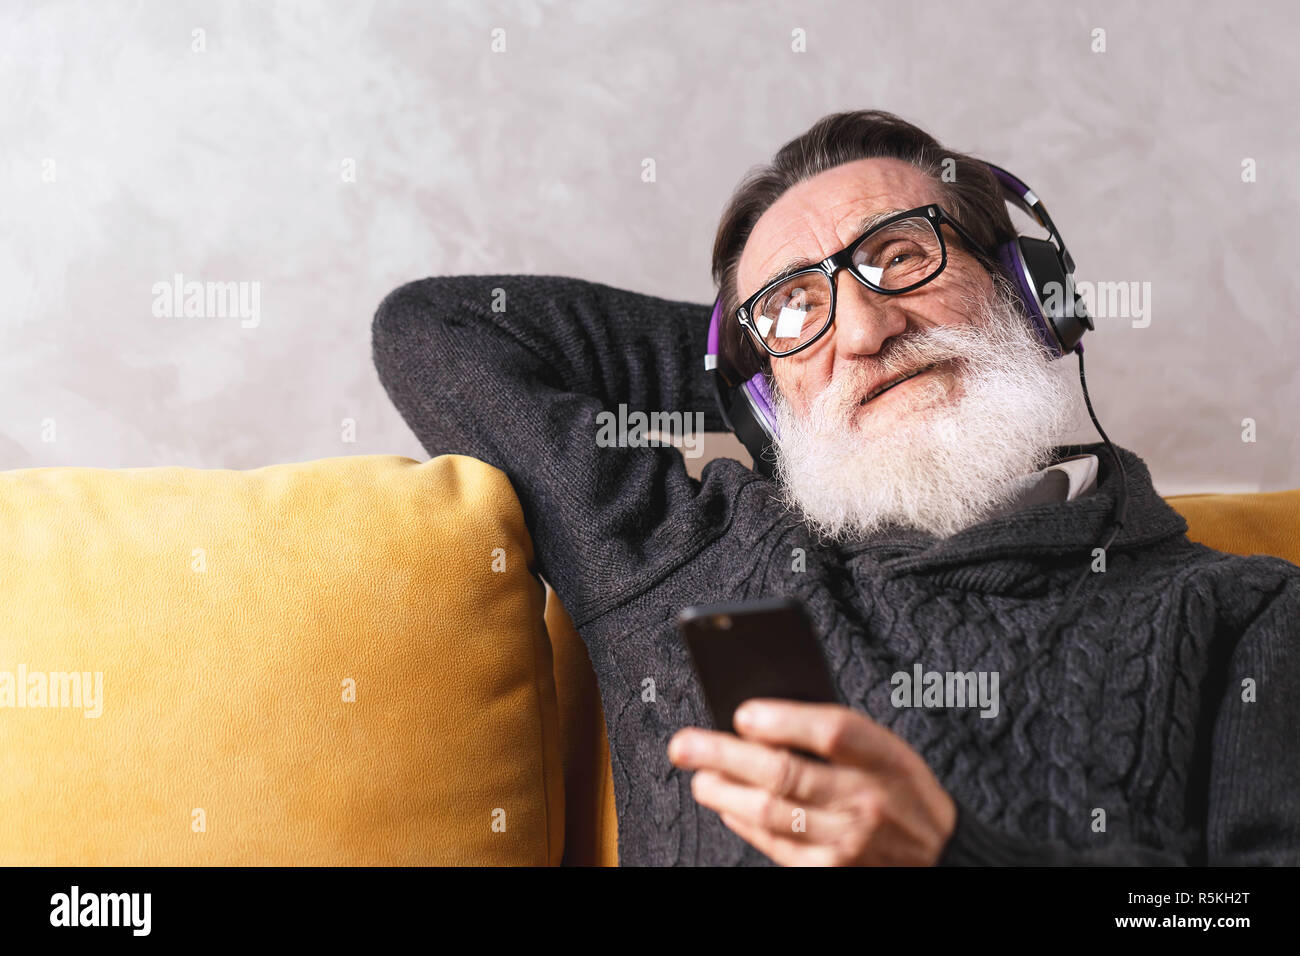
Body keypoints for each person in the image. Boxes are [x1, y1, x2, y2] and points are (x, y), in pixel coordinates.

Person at [372, 110, 1300, 866]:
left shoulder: (1244, 610)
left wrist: (953, 856)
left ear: (1027, 293)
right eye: (797, 305)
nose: (863, 329)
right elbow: (437, 331)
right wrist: (776, 373)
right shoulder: (686, 550)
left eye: (901, 257)